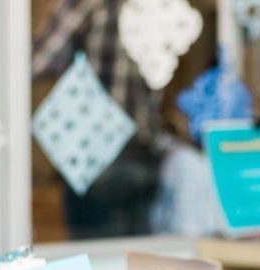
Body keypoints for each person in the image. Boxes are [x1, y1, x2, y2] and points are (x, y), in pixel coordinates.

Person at [32, 0, 164, 239]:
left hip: (97, 154)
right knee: (137, 260)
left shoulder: (86, 3)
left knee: (96, 265)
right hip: (147, 151)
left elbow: (35, 62)